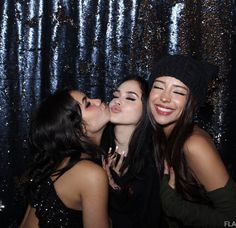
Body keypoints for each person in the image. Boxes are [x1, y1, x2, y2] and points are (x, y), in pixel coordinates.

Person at [148, 54, 236, 227]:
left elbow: (233, 221)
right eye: (158, 87)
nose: (165, 98)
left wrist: (173, 206)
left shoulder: (193, 144)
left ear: (193, 102)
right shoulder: (160, 135)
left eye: (178, 92)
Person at [19, 89, 111, 228]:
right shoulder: (90, 174)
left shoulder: (60, 163)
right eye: (88, 104)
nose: (98, 100)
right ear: (78, 129)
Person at [101, 76, 161, 228]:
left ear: (146, 108)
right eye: (115, 95)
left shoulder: (153, 160)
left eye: (130, 98)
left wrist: (114, 187)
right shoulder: (97, 150)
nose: (117, 101)